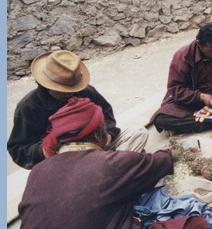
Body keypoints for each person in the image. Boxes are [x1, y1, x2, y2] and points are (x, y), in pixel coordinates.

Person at [7, 97, 209, 229]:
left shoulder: (38, 170)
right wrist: (174, 150)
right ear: (99, 134)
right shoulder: (113, 164)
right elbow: (165, 160)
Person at [7, 49, 148, 170]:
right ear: (46, 85)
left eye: (72, 88)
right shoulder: (29, 107)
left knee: (137, 132)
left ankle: (109, 172)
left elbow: (107, 116)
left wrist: (108, 135)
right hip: (62, 163)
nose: (69, 93)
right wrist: (48, 148)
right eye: (62, 90)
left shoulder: (86, 92)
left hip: (97, 150)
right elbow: (18, 150)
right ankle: (114, 172)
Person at [150, 24, 212, 134]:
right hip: (189, 102)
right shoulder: (183, 56)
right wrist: (200, 96)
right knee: (161, 119)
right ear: (199, 43)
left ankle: (208, 122)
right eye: (209, 51)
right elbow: (175, 89)